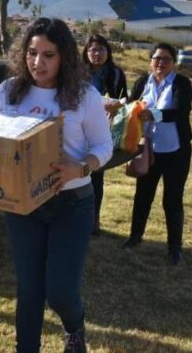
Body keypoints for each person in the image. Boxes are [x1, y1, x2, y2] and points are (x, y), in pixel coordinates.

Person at [0, 17, 112, 353]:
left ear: (64, 57)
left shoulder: (84, 96)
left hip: (72, 204)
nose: (37, 62)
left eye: (48, 55)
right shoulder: (8, 91)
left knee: (60, 292)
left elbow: (104, 146)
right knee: (29, 290)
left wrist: (79, 168)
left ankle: (74, 325)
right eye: (32, 53)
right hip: (23, 207)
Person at [122, 43, 192, 266]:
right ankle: (135, 237)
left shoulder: (181, 83)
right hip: (148, 149)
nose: (161, 63)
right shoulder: (143, 81)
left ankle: (175, 248)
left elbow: (180, 112)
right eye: (157, 58)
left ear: (173, 62)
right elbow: (132, 105)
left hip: (175, 151)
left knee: (172, 199)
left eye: (166, 59)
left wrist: (153, 114)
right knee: (143, 195)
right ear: (151, 60)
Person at [82, 34, 128, 235]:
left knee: (96, 175)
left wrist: (117, 106)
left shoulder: (116, 73)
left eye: (101, 49)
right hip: (79, 129)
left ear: (108, 52)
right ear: (86, 52)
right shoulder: (77, 73)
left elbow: (125, 100)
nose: (97, 53)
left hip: (104, 129)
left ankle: (94, 220)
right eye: (92, 49)